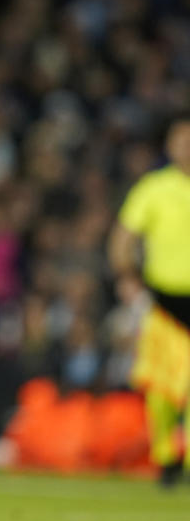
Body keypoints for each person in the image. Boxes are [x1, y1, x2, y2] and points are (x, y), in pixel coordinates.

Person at [108, 113, 190, 488]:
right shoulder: (154, 188)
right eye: (180, 139)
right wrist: (127, 278)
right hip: (165, 302)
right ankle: (165, 457)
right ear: (169, 146)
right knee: (161, 387)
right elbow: (123, 237)